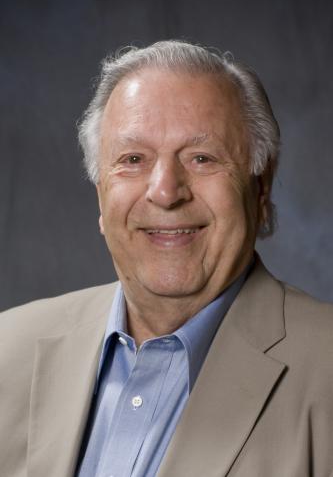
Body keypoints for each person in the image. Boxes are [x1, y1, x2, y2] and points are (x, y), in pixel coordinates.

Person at [1, 40, 333, 477]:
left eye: (201, 158)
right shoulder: (7, 347)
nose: (165, 191)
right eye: (133, 159)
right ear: (101, 193)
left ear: (261, 188)